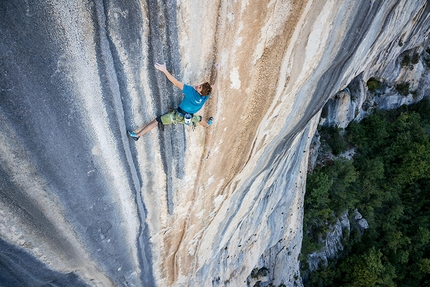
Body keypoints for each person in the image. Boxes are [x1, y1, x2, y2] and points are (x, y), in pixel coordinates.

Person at [127, 62, 216, 141]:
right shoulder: (205, 96)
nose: (198, 85)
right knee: (199, 119)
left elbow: (175, 82)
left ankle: (137, 135)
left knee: (156, 121)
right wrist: (218, 70)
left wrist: (164, 70)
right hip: (190, 118)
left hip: (177, 116)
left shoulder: (190, 92)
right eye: (200, 85)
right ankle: (208, 124)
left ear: (200, 92)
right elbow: (215, 86)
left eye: (200, 87)